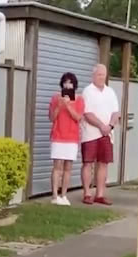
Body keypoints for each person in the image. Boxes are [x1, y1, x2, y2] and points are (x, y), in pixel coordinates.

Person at [80, 64, 120, 205]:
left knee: (103, 163)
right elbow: (87, 113)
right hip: (90, 134)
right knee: (88, 163)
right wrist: (101, 126)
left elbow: (116, 112)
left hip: (107, 134)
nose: (102, 77)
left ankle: (100, 194)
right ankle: (87, 193)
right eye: (99, 75)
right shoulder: (88, 91)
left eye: (103, 75)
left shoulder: (110, 92)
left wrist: (110, 126)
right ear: (93, 75)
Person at [48, 72, 85, 205]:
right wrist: (59, 105)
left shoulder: (79, 99)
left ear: (74, 85)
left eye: (70, 82)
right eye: (65, 82)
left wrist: (69, 105)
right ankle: (54, 195)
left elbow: (78, 118)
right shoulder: (55, 98)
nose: (67, 85)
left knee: (68, 167)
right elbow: (52, 118)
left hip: (72, 137)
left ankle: (64, 195)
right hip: (58, 135)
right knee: (57, 166)